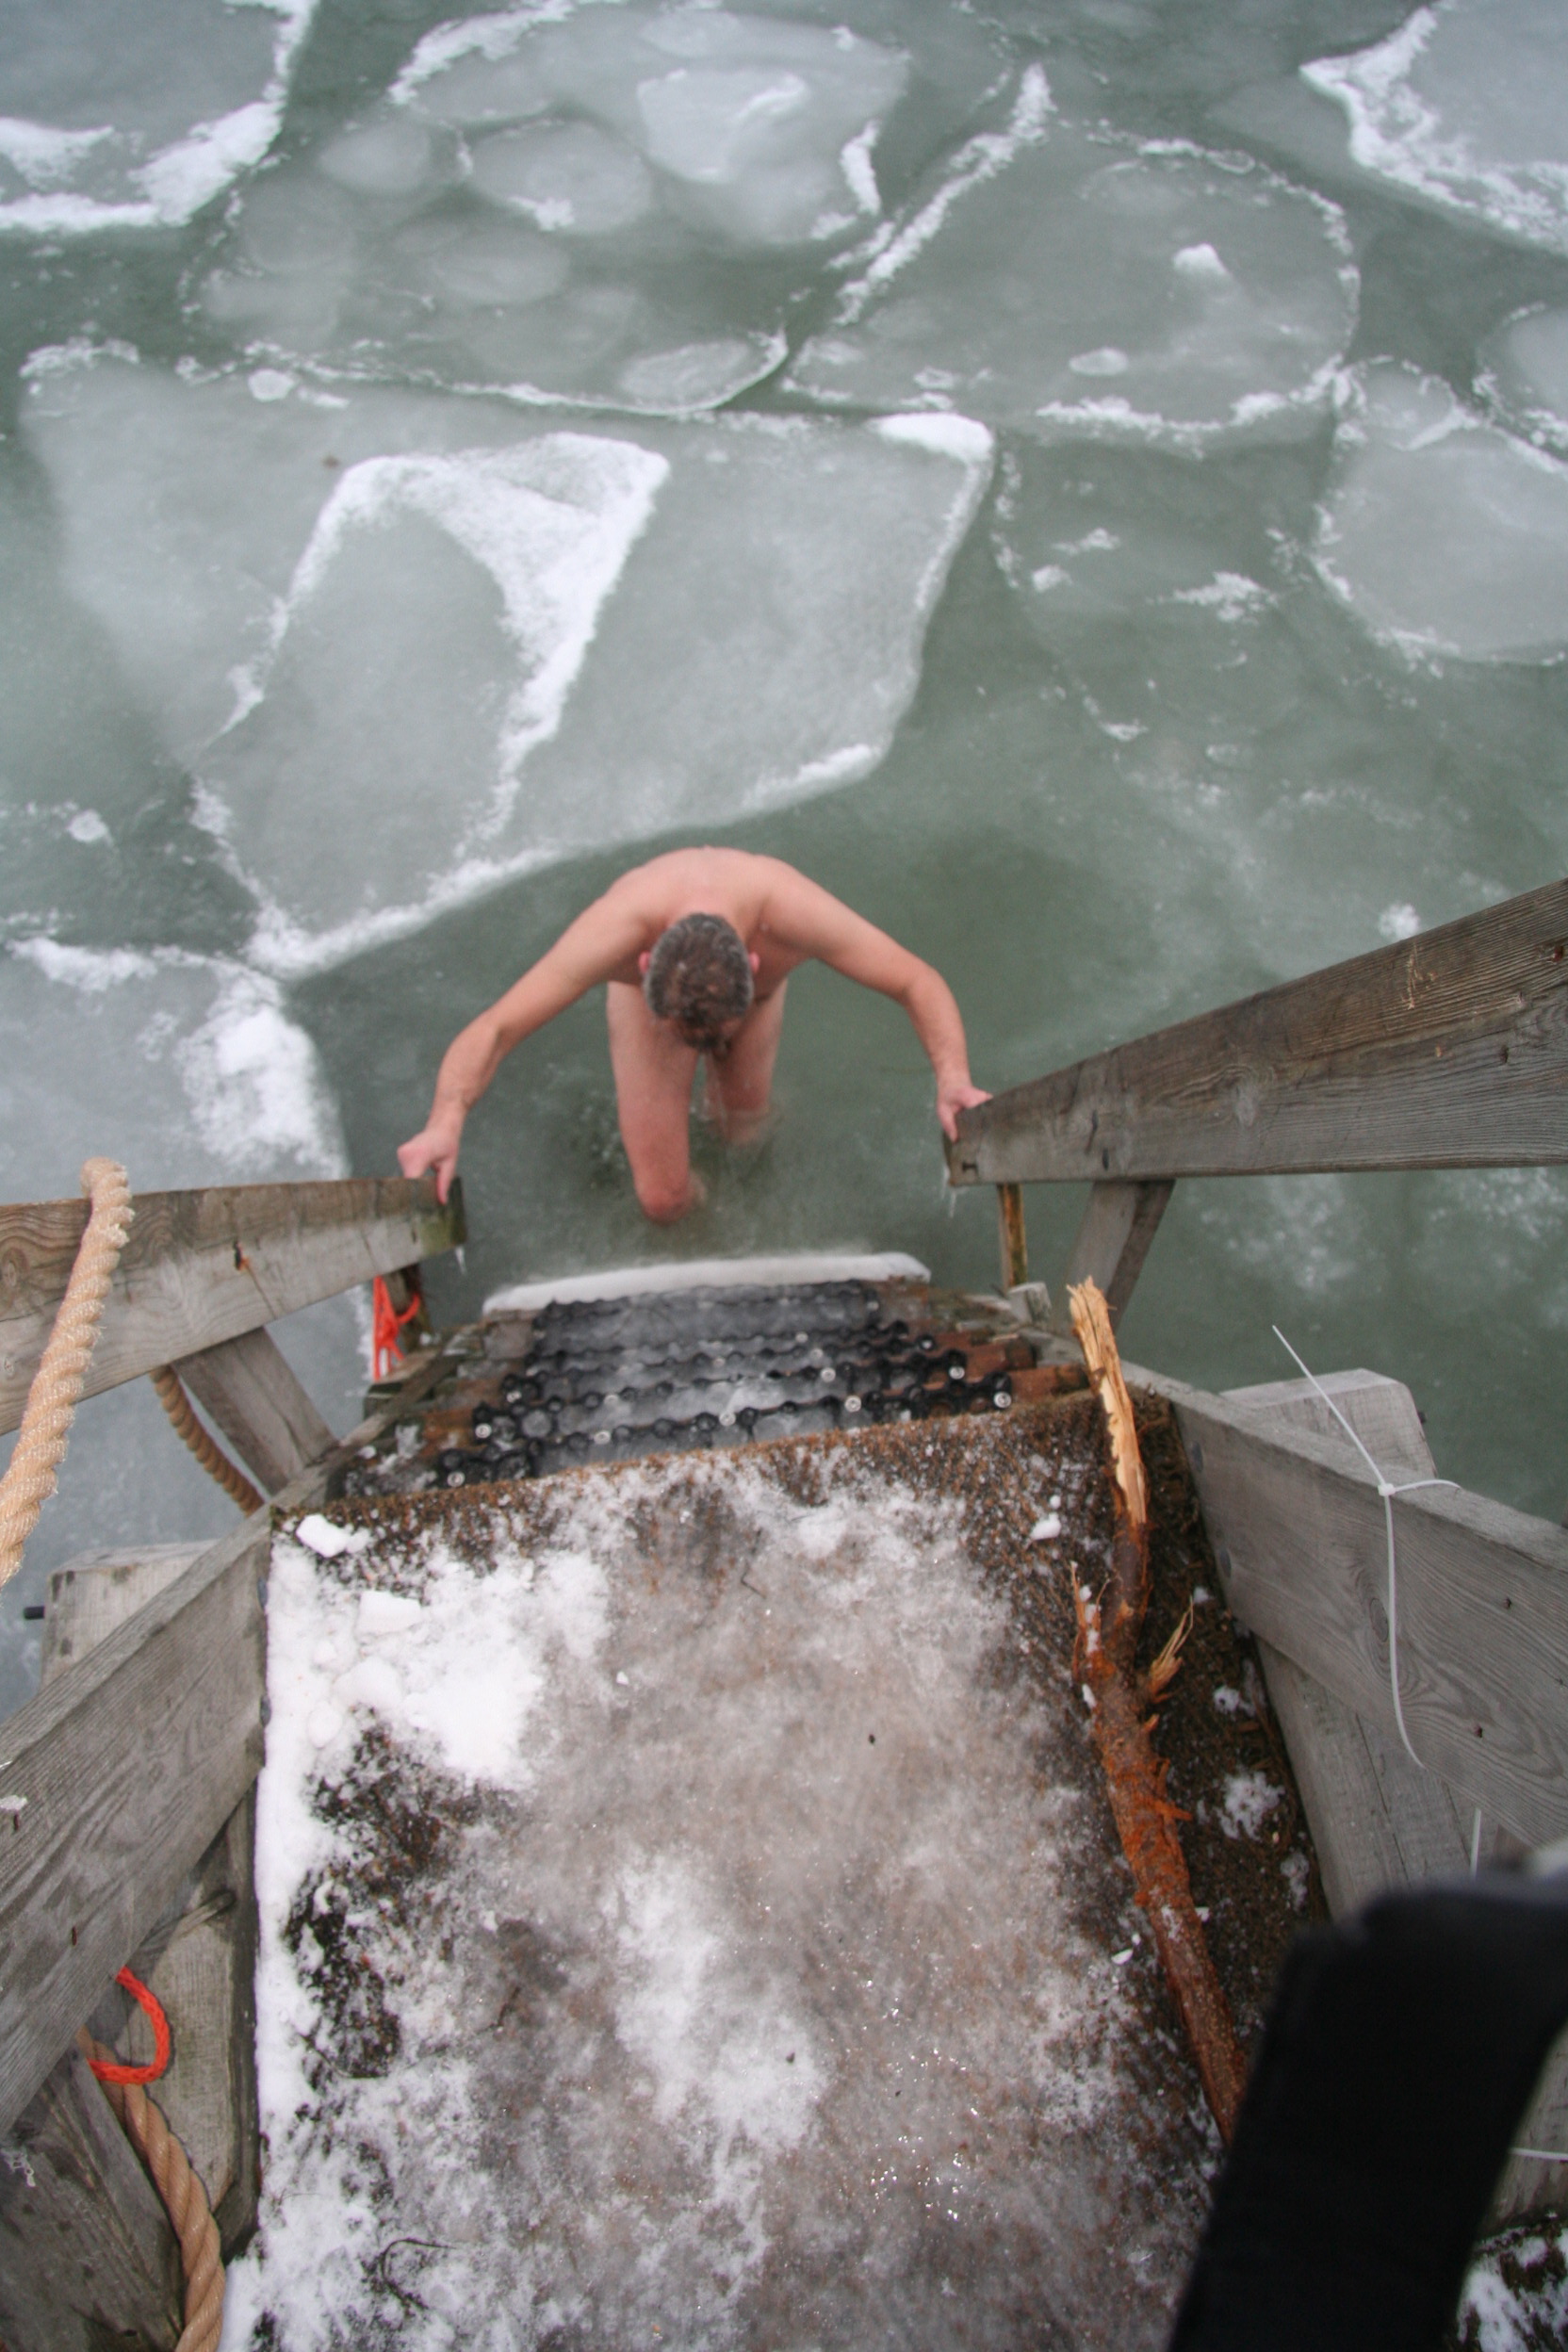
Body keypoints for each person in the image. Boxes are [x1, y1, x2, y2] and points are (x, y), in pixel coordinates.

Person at [397, 847, 990, 1222]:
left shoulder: (787, 914)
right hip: (654, 1016)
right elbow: (496, 1028)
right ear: (645, 960)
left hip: (741, 1005)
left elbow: (915, 980)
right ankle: (702, 1206)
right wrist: (445, 1120)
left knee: (744, 1129)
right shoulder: (614, 933)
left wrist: (952, 1077)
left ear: (756, 964)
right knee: (662, 1202)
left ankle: (738, 1127)